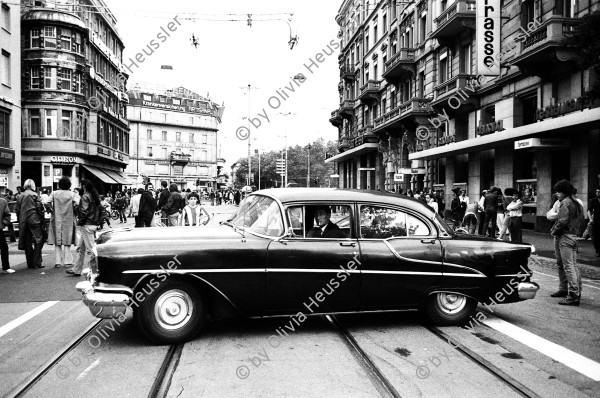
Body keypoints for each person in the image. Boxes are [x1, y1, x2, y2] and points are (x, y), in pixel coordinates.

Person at [550, 180, 585, 306]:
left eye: (559, 192)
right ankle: (577, 291)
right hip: (574, 236)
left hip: (565, 236)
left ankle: (573, 295)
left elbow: (562, 220)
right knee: (573, 266)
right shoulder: (577, 202)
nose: (557, 194)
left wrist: (554, 231)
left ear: (564, 192)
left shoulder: (565, 202)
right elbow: (582, 221)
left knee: (568, 267)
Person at [67, 180, 101, 276]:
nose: (80, 187)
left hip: (86, 225)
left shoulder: (85, 197)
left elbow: (84, 211)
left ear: (84, 186)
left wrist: (80, 221)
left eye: (80, 185)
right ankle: (77, 269)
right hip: (92, 223)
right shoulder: (94, 196)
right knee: (81, 248)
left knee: (91, 250)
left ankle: (96, 270)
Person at [47, 177, 76, 268]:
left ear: (59, 185)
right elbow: (77, 204)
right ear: (69, 185)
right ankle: (68, 261)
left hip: (56, 217)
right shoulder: (72, 194)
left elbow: (46, 202)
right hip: (69, 218)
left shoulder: (54, 193)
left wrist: (51, 210)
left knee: (57, 239)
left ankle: (57, 261)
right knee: (67, 240)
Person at [16, 179, 45, 269]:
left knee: (27, 241)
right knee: (39, 240)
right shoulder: (35, 194)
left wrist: (20, 219)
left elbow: (17, 210)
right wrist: (42, 219)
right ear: (33, 185)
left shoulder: (20, 195)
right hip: (34, 219)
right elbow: (40, 208)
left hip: (23, 220)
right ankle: (37, 262)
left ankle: (30, 263)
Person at [0, 194, 14, 273]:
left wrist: (3, 224)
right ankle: (6, 267)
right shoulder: (3, 201)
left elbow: (7, 215)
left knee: (4, 247)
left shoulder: (3, 202)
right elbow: (7, 215)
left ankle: (6, 267)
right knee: (4, 247)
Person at [588, 187, 600, 256]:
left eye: (599, 192)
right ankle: (598, 251)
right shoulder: (593, 200)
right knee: (596, 236)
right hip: (596, 220)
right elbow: (589, 210)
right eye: (597, 192)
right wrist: (590, 219)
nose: (597, 193)